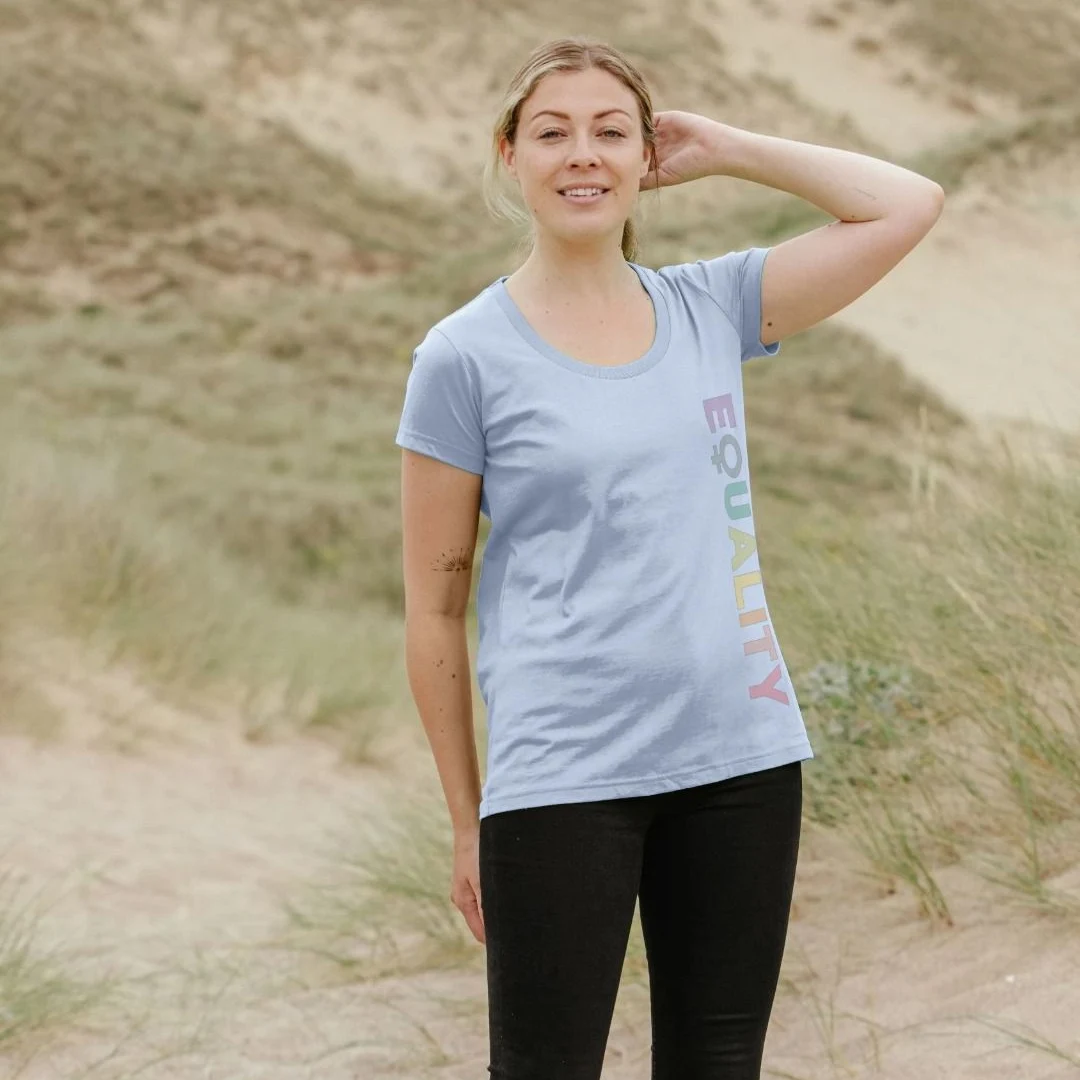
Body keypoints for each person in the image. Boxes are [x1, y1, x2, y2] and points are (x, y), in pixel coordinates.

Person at [395, 35, 943, 1080]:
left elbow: (906, 205)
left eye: (611, 132)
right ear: (510, 153)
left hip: (740, 758)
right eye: (552, 133)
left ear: (648, 156)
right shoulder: (462, 357)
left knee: (719, 1063)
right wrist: (468, 823)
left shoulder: (712, 307)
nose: (582, 155)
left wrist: (728, 147)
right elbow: (433, 611)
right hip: (562, 775)